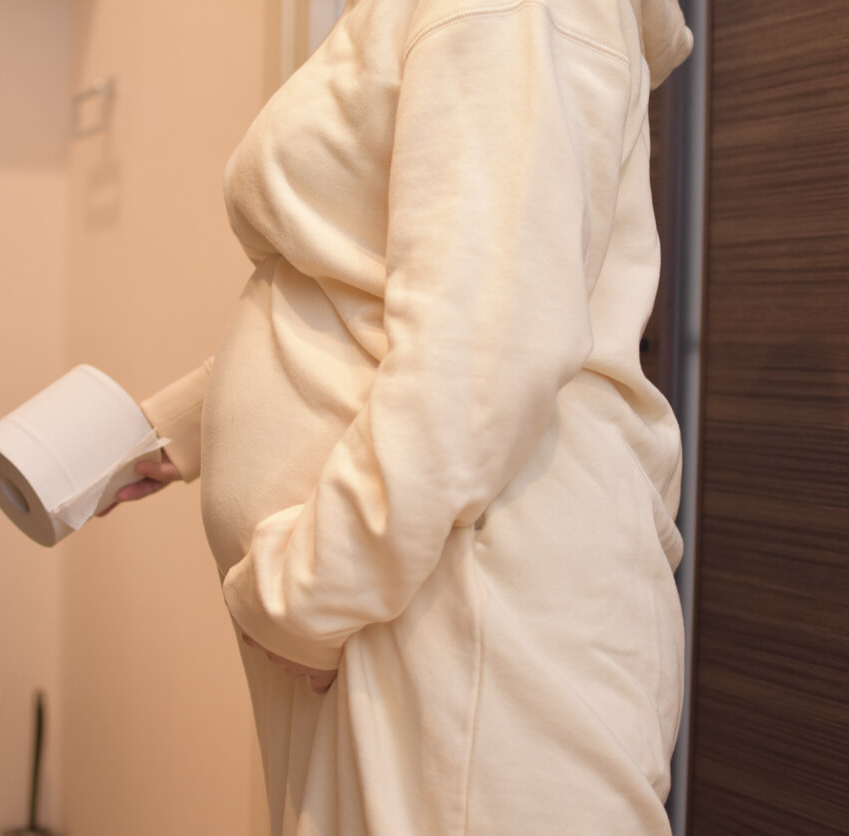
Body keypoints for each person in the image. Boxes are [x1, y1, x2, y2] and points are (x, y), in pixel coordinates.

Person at [111, 0, 693, 832]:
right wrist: (178, 425)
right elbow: (376, 287)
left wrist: (305, 596)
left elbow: (487, 345)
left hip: (463, 594)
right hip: (408, 589)